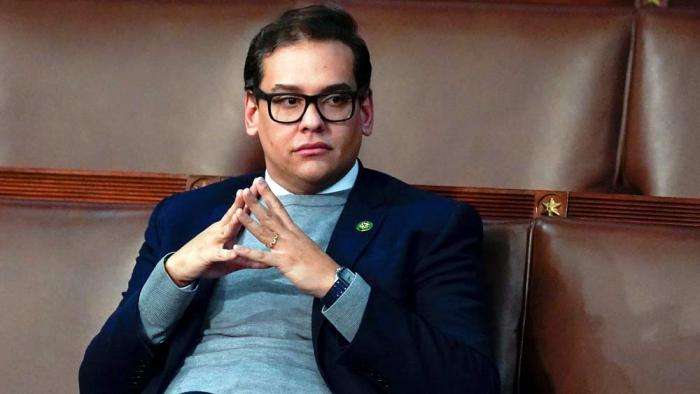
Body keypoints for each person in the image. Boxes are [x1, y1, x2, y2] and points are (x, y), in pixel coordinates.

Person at [79, 4, 499, 394]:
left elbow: (470, 383)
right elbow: (100, 383)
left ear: (365, 112)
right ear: (251, 113)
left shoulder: (429, 224)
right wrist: (173, 279)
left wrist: (335, 285)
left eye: (335, 99)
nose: (311, 121)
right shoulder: (185, 216)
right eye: (288, 101)